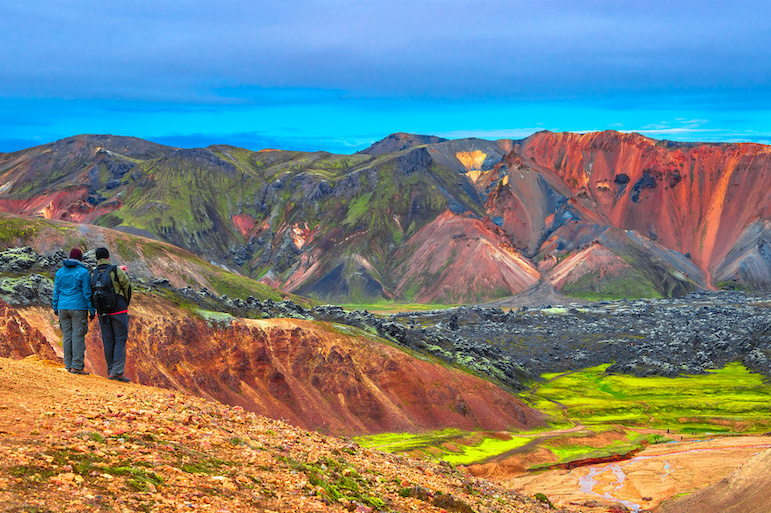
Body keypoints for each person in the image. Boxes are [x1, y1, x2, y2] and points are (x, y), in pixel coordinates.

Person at [92, 247, 132, 382]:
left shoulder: (94, 273)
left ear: (97, 258)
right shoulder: (116, 271)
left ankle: (110, 371)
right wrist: (124, 303)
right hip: (118, 311)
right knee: (120, 340)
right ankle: (117, 372)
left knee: (108, 341)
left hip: (102, 312)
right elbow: (126, 286)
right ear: (108, 257)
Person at [52, 248, 95, 375]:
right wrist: (91, 310)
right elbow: (87, 293)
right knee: (77, 336)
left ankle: (68, 364)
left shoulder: (60, 272)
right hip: (78, 307)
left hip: (62, 307)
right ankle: (76, 366)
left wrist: (55, 307)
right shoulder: (83, 272)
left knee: (67, 336)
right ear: (80, 259)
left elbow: (56, 292)